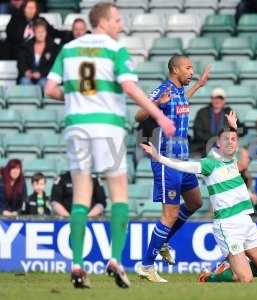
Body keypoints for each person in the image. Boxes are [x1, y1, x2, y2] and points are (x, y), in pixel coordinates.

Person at [44, 2, 175, 289]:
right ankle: (115, 259)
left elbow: (50, 89)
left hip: (76, 126)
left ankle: (77, 265)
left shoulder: (69, 49)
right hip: (107, 127)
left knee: (81, 195)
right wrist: (159, 116)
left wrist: (77, 96)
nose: (121, 25)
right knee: (118, 194)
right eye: (117, 20)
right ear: (102, 22)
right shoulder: (115, 49)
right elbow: (129, 88)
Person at [140, 112, 257, 283]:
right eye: (225, 139)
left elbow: (231, 139)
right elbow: (185, 166)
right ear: (218, 143)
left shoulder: (232, 159)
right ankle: (211, 277)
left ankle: (230, 267)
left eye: (234, 139)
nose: (230, 142)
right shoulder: (210, 163)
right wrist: (159, 158)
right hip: (228, 226)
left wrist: (233, 126)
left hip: (246, 222)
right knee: (245, 279)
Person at [134, 55, 210, 283]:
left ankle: (164, 240)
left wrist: (198, 85)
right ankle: (146, 265)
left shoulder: (178, 92)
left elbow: (181, 103)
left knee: (195, 202)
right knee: (170, 214)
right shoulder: (162, 89)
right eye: (188, 68)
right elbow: (139, 115)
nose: (191, 71)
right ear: (175, 69)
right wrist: (156, 104)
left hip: (183, 160)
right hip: (166, 161)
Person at [192, 87, 245, 156]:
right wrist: (215, 139)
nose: (217, 101)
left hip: (224, 146)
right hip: (204, 146)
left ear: (224, 101)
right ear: (211, 99)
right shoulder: (202, 112)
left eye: (220, 98)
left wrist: (228, 135)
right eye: (215, 98)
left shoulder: (229, 112)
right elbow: (197, 132)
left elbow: (241, 129)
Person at [17, 19, 59, 88]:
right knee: (25, 81)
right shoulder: (26, 46)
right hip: (28, 77)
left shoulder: (53, 47)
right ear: (34, 32)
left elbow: (54, 66)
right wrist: (26, 71)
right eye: (38, 32)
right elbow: (21, 63)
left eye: (43, 32)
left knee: (43, 82)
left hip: (45, 76)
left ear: (46, 32)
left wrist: (41, 73)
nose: (41, 34)